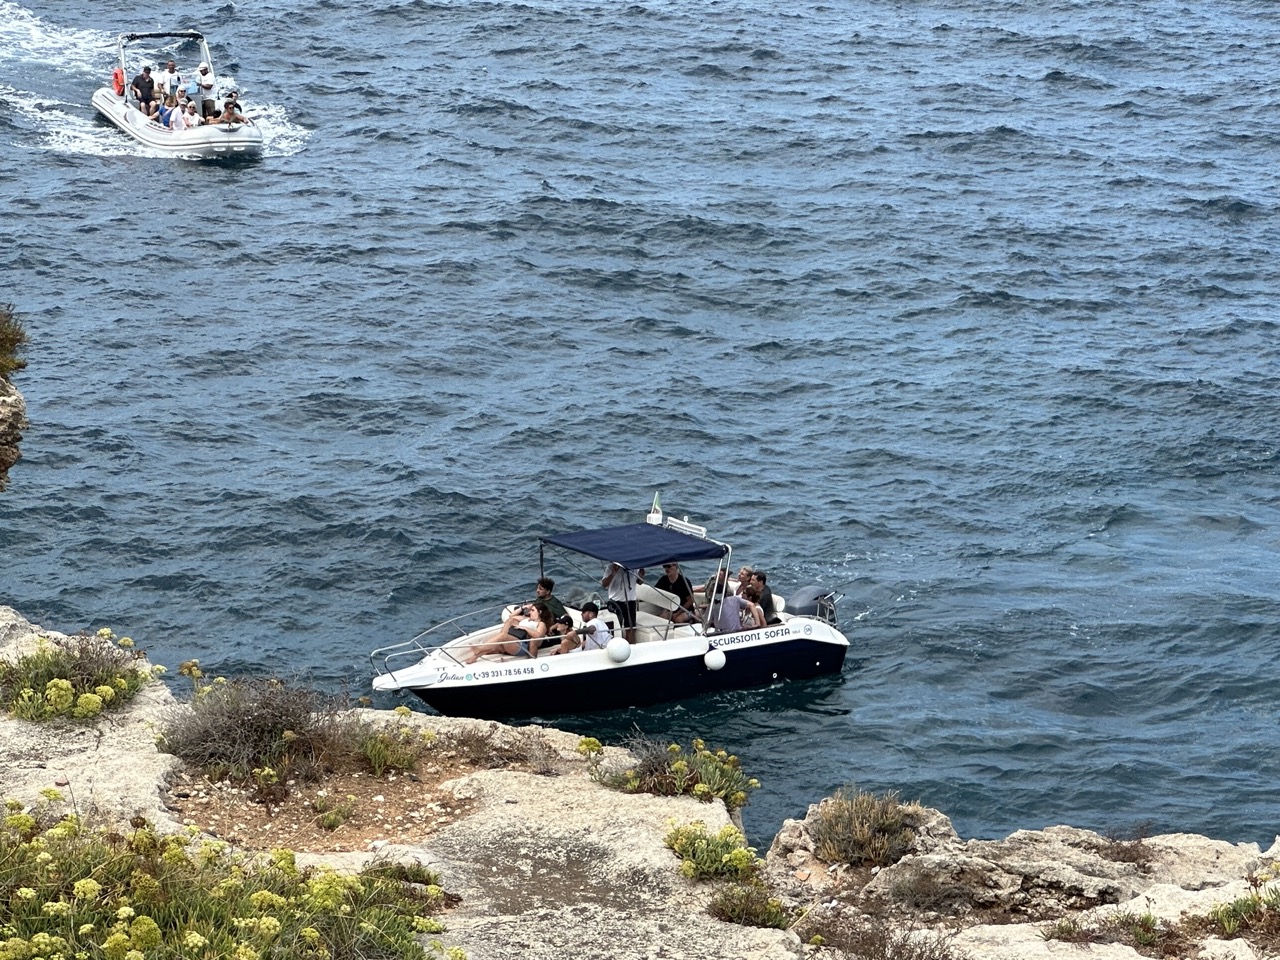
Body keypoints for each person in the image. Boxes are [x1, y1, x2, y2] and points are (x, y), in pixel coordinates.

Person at [462, 600, 552, 664]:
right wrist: (523, 607)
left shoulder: (541, 624)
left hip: (522, 646)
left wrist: (525, 628)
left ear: (539, 612)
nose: (530, 612)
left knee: (503, 637)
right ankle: (475, 657)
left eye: (533, 610)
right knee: (510, 621)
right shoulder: (527, 619)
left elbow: (539, 635)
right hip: (514, 641)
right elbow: (511, 615)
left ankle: (479, 649)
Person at [602, 561, 643, 643]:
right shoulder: (611, 567)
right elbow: (604, 584)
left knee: (630, 628)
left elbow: (640, 582)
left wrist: (641, 573)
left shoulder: (636, 567)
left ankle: (631, 647)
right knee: (617, 626)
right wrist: (614, 572)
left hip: (630, 601)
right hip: (616, 601)